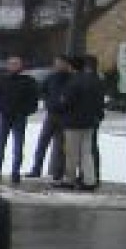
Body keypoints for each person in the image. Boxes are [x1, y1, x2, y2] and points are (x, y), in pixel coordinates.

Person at [0, 55, 40, 183]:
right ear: (7, 65)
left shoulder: (28, 81)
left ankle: (15, 173)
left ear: (21, 66)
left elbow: (34, 99)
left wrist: (26, 111)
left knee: (18, 146)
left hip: (19, 117)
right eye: (11, 64)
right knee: (0, 145)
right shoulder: (2, 79)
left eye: (16, 64)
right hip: (5, 116)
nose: (13, 66)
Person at [59, 51, 107, 190]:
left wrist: (60, 105)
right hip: (90, 122)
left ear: (72, 67)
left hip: (73, 122)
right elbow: (99, 102)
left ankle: (69, 179)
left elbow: (66, 102)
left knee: (71, 152)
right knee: (87, 152)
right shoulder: (95, 81)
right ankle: (89, 180)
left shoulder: (73, 82)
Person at [28, 52, 73, 181]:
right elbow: (42, 90)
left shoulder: (71, 79)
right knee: (42, 142)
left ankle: (58, 172)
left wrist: (64, 102)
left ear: (66, 64)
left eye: (60, 63)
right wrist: (48, 101)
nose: (57, 65)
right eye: (56, 63)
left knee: (60, 146)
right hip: (51, 115)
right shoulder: (51, 77)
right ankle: (36, 169)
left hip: (65, 116)